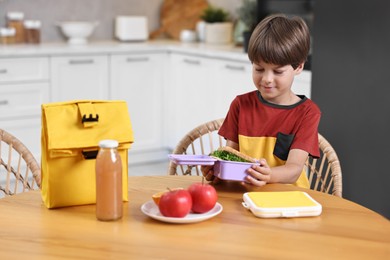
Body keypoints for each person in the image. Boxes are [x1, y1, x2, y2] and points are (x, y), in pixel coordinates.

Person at [202, 14, 321, 188]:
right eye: (259, 69)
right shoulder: (241, 105)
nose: (266, 79)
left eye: (278, 71)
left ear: (299, 67)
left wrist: (269, 174)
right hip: (244, 196)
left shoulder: (307, 113)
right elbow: (230, 158)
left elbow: (294, 169)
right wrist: (218, 171)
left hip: (289, 200)